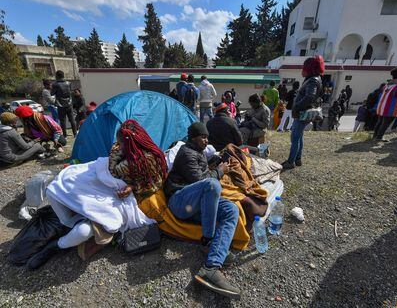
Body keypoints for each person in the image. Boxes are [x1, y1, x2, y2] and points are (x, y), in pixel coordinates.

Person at [28, 120, 168, 270]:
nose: (117, 146)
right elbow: (106, 168)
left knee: (86, 229)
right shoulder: (119, 151)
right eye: (118, 143)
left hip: (117, 194)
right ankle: (69, 220)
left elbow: (153, 183)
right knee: (58, 188)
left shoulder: (149, 160)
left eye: (120, 144)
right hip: (100, 179)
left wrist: (131, 187)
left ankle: (56, 245)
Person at [164, 122, 240, 298]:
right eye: (203, 137)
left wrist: (217, 161)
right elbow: (200, 180)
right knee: (213, 185)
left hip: (195, 202)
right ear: (193, 138)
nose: (207, 140)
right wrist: (220, 171)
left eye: (207, 137)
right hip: (179, 201)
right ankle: (208, 240)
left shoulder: (197, 152)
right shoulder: (185, 153)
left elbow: (203, 171)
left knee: (231, 209)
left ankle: (211, 266)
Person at [281, 55, 324, 170]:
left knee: (295, 138)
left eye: (304, 68)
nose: (302, 70)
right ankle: (298, 159)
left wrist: (296, 107)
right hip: (303, 113)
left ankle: (291, 162)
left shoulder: (313, 80)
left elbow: (310, 97)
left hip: (301, 114)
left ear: (309, 69)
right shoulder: (314, 78)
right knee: (299, 137)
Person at [51, 70, 77, 137]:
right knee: (72, 119)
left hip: (60, 104)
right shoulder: (69, 83)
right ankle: (75, 133)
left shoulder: (55, 84)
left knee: (62, 120)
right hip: (69, 103)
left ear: (57, 76)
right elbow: (71, 92)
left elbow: (52, 93)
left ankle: (65, 135)